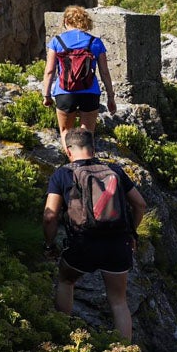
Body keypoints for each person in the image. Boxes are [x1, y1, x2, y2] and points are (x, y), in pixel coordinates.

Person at [42, 128, 147, 341]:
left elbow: (50, 216)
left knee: (66, 280)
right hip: (118, 244)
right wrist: (132, 234)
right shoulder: (114, 170)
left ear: (68, 150)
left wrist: (49, 245)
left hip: (83, 243)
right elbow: (140, 204)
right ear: (93, 147)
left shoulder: (63, 174)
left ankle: (63, 336)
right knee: (118, 301)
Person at [42, 6, 116, 151]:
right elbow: (105, 72)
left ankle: (72, 164)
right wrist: (111, 97)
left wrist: (47, 95)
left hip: (65, 92)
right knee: (88, 134)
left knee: (66, 132)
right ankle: (86, 164)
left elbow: (50, 71)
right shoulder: (95, 42)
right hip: (90, 92)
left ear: (65, 21)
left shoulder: (56, 41)